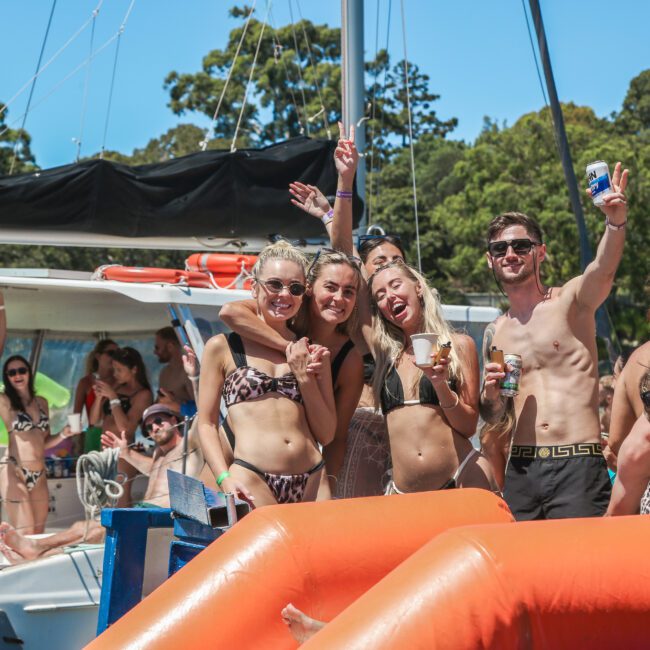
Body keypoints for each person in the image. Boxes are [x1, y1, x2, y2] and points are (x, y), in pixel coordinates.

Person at [479, 162, 629, 520]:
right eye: (500, 250)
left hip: (577, 462)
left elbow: (603, 268)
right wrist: (490, 396)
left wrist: (615, 221)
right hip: (522, 468)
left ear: (540, 252)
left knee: (582, 568)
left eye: (520, 245)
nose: (510, 254)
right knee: (525, 570)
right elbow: (494, 415)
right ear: (491, 261)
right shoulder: (495, 331)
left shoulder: (571, 302)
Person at [198, 241, 336, 506]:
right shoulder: (223, 347)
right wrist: (224, 478)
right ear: (253, 287)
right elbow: (206, 424)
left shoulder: (313, 353)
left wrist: (304, 376)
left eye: (294, 288)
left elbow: (326, 434)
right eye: (274, 284)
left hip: (313, 481)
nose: (284, 294)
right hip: (251, 477)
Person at [219, 248, 365, 496]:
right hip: (238, 457)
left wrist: (330, 486)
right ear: (309, 288)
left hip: (307, 472)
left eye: (348, 292)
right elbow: (229, 312)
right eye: (330, 287)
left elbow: (334, 436)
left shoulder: (346, 358)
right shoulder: (284, 312)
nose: (339, 298)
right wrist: (289, 348)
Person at [0, 403, 202, 563]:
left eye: (159, 421)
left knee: (91, 531)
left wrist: (193, 375)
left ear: (174, 420)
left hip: (161, 519)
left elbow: (203, 418)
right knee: (83, 536)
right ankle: (32, 560)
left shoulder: (189, 445)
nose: (154, 428)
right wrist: (125, 453)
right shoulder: (160, 454)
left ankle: (35, 547)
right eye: (149, 427)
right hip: (144, 513)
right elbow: (153, 470)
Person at [0, 356, 79, 534]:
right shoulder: (5, 402)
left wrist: (63, 434)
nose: (17, 375)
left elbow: (44, 442)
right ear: (6, 377)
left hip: (39, 474)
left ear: (29, 373)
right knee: (25, 534)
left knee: (38, 533)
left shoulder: (41, 402)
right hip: (14, 471)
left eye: (22, 370)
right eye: (12, 372)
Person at [89, 347, 153, 507]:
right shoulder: (116, 387)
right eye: (114, 369)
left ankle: (125, 532)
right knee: (104, 502)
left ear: (134, 369)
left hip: (122, 455)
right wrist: (98, 399)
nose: (115, 374)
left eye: (119, 370)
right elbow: (94, 420)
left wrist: (112, 397)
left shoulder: (143, 394)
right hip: (104, 452)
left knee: (120, 501)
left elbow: (126, 428)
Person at [73, 339, 119, 452]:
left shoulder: (121, 381)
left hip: (115, 433)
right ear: (98, 356)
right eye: (111, 353)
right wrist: (74, 442)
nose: (114, 357)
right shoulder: (86, 382)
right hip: (94, 433)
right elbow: (75, 415)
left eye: (118, 354)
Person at [154, 327, 194, 413]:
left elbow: (202, 405)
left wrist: (182, 408)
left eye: (157, 347)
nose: (155, 352)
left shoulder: (189, 372)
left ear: (170, 347)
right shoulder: (164, 373)